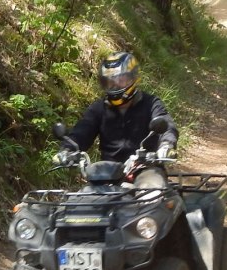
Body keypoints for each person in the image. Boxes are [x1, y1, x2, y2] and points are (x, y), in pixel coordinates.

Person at [57, 51, 179, 188]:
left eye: (120, 80)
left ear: (133, 78)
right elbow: (82, 132)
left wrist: (166, 145)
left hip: (146, 168)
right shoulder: (99, 108)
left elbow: (166, 124)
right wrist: (67, 150)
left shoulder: (151, 103)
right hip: (106, 174)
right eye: (110, 82)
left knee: (151, 194)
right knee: (83, 202)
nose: (115, 85)